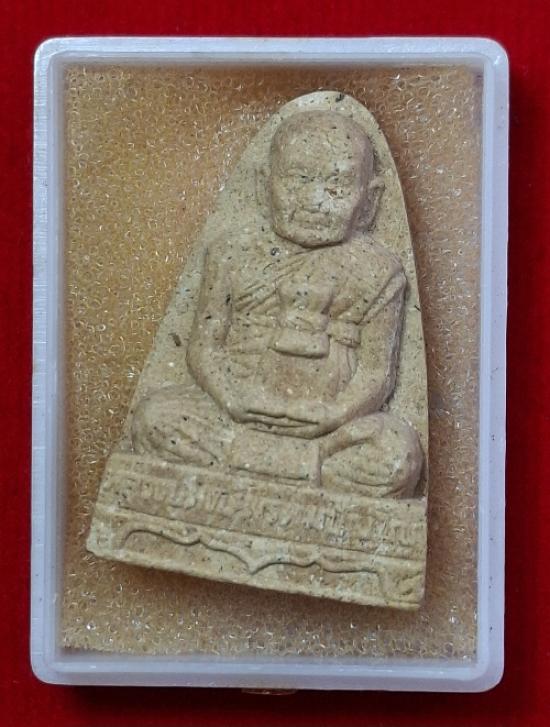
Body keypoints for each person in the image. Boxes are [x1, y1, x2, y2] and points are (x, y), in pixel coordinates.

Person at [132, 110, 422, 498]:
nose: (315, 202)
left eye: (336, 186)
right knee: (155, 418)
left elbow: (376, 373)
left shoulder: (379, 271)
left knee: (397, 454)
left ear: (369, 201)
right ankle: (284, 469)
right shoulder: (231, 252)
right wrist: (230, 396)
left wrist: (333, 414)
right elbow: (204, 346)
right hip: (236, 414)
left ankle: (263, 468)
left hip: (327, 432)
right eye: (299, 180)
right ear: (263, 185)